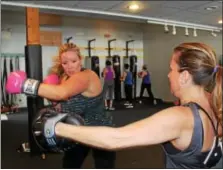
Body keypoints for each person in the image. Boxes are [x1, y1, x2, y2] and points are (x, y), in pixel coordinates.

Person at [7, 42, 222, 168]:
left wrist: (57, 127)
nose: (168, 75)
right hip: (81, 134)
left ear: (185, 76)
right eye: (65, 62)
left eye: (171, 69)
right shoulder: (214, 107)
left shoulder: (180, 116)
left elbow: (116, 139)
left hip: (98, 129)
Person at [6, 43, 116, 169]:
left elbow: (61, 93)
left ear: (80, 60)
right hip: (77, 131)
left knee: (104, 166)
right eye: (65, 63)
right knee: (69, 165)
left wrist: (25, 84)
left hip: (100, 130)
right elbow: (59, 101)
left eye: (73, 61)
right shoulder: (65, 78)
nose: (69, 66)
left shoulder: (87, 76)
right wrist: (55, 102)